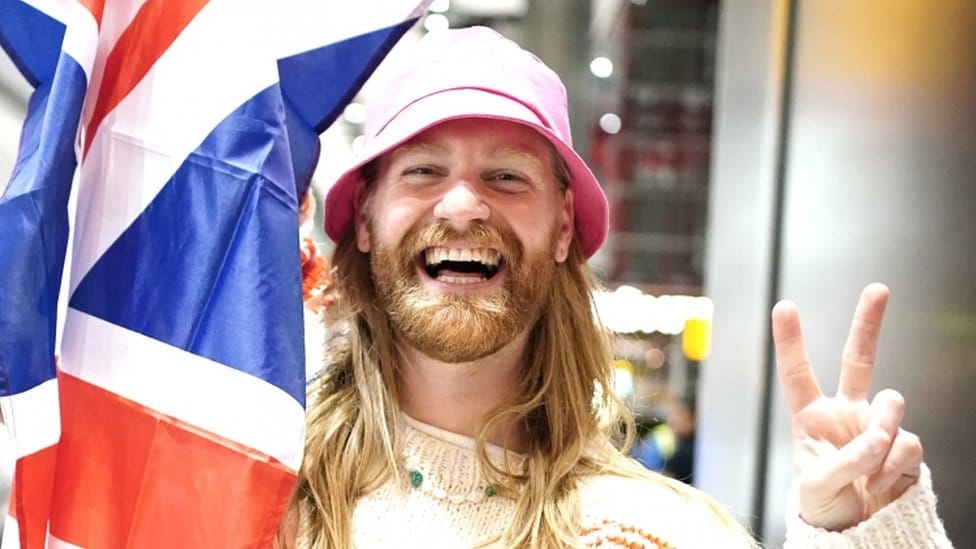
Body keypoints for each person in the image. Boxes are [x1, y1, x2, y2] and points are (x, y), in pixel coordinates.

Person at [280, 26, 952, 548]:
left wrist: (859, 533)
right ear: (365, 219)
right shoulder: (253, 489)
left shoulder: (659, 534)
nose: (462, 206)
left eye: (506, 176)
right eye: (424, 170)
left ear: (564, 225)